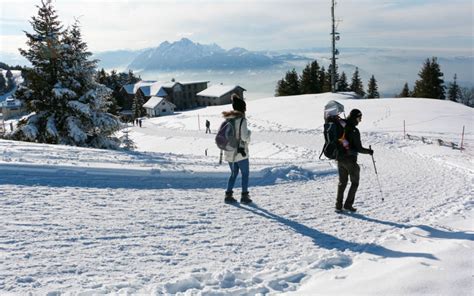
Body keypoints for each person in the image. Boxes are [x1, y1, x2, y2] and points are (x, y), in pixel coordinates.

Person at [336, 109, 373, 212]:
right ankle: (348, 205)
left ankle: (338, 206)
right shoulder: (354, 130)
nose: (360, 120)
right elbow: (359, 148)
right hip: (350, 160)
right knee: (355, 183)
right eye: (359, 118)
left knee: (342, 183)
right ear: (356, 117)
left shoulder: (341, 125)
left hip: (339, 158)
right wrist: (369, 151)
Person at [223, 93, 252, 204]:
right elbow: (245, 137)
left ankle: (228, 195)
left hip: (229, 151)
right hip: (240, 152)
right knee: (245, 174)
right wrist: (249, 133)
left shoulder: (228, 120)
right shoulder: (242, 120)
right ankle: (244, 196)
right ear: (243, 108)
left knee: (234, 173)